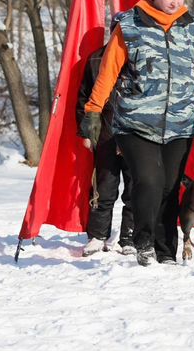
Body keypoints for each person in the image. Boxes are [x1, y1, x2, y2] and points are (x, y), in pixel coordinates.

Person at [80, 0, 194, 266]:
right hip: (135, 122)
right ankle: (142, 242)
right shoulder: (131, 26)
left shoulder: (193, 27)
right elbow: (107, 73)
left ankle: (165, 250)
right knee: (148, 179)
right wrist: (93, 111)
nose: (175, 2)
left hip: (180, 124)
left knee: (170, 188)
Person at [76, 45, 135, 257]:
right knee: (104, 186)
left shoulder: (143, 53)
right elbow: (84, 97)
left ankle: (130, 236)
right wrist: (85, 132)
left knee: (135, 187)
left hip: (136, 133)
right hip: (106, 132)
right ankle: (98, 236)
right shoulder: (96, 59)